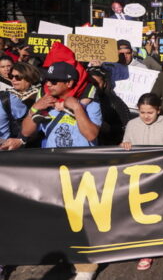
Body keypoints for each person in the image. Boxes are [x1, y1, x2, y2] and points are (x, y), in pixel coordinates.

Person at [19, 62, 102, 280]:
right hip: (53, 172)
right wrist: (36, 108)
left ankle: (87, 267)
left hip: (80, 171)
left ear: (69, 83)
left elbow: (92, 135)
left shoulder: (89, 104)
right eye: (47, 80)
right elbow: (26, 132)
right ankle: (71, 258)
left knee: (82, 220)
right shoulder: (44, 103)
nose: (49, 84)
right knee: (61, 219)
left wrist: (75, 108)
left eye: (54, 81)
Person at [120, 93, 163, 271]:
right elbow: (125, 145)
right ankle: (146, 251)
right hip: (139, 177)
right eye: (142, 112)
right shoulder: (132, 124)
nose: (146, 116)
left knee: (162, 211)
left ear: (158, 110)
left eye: (150, 112)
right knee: (143, 214)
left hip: (162, 175)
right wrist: (124, 146)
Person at [87, 67, 130, 146]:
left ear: (105, 84)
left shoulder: (115, 103)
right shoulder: (79, 100)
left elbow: (126, 129)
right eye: (90, 83)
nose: (93, 87)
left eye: (96, 84)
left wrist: (106, 128)